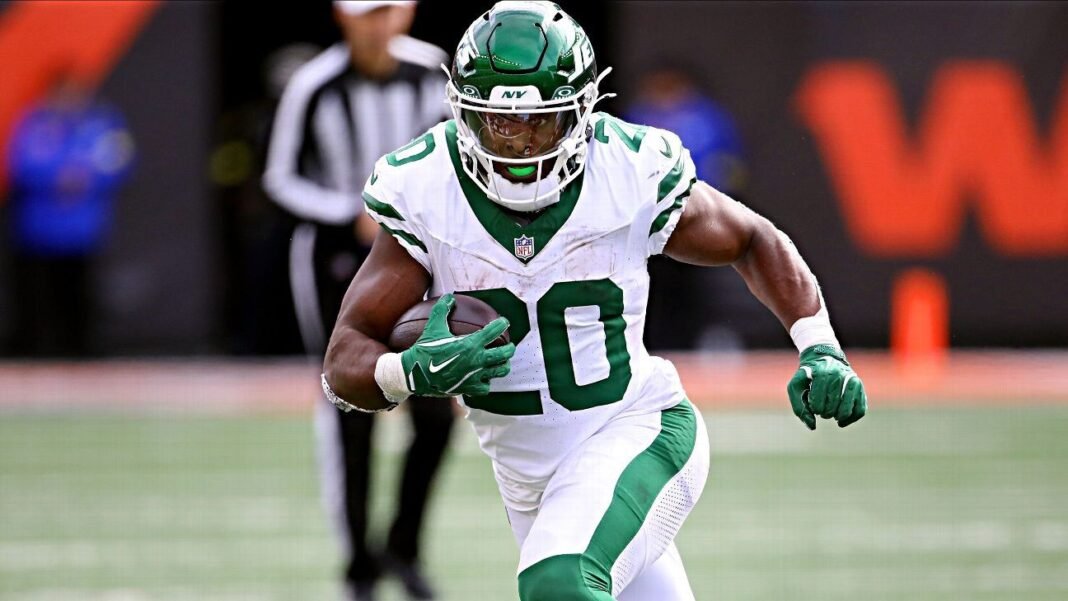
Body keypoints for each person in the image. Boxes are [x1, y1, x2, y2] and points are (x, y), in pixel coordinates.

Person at [321, 2, 868, 600]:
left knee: (558, 581)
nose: (518, 145)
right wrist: (407, 372)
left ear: (582, 110)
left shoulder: (625, 169)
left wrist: (818, 344)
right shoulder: (428, 187)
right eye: (498, 123)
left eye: (539, 123)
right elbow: (343, 358)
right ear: (462, 111)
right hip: (530, 484)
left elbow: (751, 238)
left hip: (638, 430)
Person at [261, 2, 451, 600]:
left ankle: (404, 546)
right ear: (344, 17)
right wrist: (352, 211)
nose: (379, 24)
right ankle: (359, 566)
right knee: (350, 402)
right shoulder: (315, 84)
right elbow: (279, 178)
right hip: (335, 257)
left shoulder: (434, 72)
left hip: (423, 252)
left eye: (388, 11)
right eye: (368, 13)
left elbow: (462, 158)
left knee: (437, 408)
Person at [5, 71, 134, 356]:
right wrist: (56, 178)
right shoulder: (34, 123)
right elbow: (19, 165)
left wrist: (86, 177)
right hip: (40, 228)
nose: (69, 99)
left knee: (80, 292)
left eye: (75, 93)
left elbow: (120, 162)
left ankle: (82, 348)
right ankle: (36, 350)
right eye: (63, 93)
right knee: (38, 294)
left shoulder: (102, 123)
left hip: (83, 229)